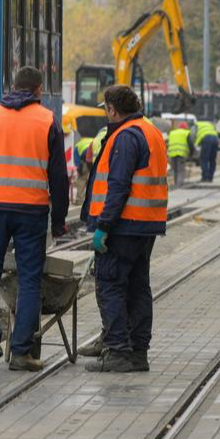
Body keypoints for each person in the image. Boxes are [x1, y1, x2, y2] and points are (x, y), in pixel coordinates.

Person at [0, 66, 69, 373]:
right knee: (29, 279)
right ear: (38, 90)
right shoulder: (48, 120)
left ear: (12, 87)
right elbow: (59, 178)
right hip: (32, 211)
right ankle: (22, 352)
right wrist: (59, 219)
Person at [83, 84, 169, 372]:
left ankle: (118, 352)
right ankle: (137, 352)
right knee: (138, 287)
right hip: (147, 225)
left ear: (113, 110)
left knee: (111, 285)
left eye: (106, 109)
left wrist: (103, 227)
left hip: (123, 226)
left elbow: (117, 186)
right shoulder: (150, 130)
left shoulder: (124, 136)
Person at [192, 117, 220, 184]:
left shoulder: (196, 124)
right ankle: (210, 177)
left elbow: (192, 135)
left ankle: (205, 177)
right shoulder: (209, 124)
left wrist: (194, 145)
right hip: (215, 139)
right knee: (212, 159)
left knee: (204, 159)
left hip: (206, 139)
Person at [166, 122, 192, 187]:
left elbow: (167, 142)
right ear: (185, 128)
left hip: (172, 154)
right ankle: (179, 185)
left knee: (175, 170)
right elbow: (191, 144)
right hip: (181, 153)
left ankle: (176, 184)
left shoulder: (172, 133)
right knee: (180, 170)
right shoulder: (186, 133)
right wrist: (192, 153)